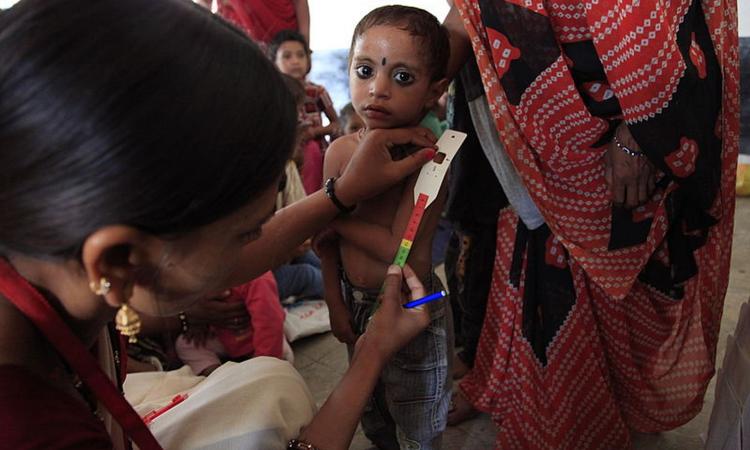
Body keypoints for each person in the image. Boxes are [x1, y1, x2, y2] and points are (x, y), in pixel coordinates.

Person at [0, 1, 440, 449]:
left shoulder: (47, 251)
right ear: (118, 261)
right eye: (247, 232)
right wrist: (369, 356)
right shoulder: (33, 429)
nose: (260, 245)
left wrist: (338, 196)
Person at [442, 0, 739, 448]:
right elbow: (474, 13)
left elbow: (655, 20)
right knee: (535, 250)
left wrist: (640, 135)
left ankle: (614, 406)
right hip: (524, 108)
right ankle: (561, 406)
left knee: (616, 266)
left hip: (622, 115)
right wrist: (416, 75)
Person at [318, 6, 452, 449]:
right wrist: (336, 305)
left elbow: (400, 248)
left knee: (418, 417)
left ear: (435, 91)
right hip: (355, 302)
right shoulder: (338, 153)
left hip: (415, 304)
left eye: (401, 77)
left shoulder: (429, 160)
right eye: (364, 69)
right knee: (371, 411)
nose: (377, 89)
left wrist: (332, 213)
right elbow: (325, 247)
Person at [175, 272, 288, 376]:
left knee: (278, 357)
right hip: (222, 335)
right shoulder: (194, 275)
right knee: (185, 344)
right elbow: (189, 302)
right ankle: (219, 376)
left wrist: (264, 364)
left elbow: (270, 323)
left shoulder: (256, 276)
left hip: (254, 337)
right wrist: (197, 322)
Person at [270, 29, 340, 194]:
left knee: (311, 151)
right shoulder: (273, 93)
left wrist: (314, 131)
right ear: (274, 62)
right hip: (285, 149)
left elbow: (337, 123)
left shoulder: (317, 92)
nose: (295, 61)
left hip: (314, 148)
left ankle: (310, 202)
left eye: (300, 55)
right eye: (287, 56)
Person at [197, 0, 310, 48]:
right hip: (237, 42)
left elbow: (299, 2)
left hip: (284, 42)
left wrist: (305, 44)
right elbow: (204, 3)